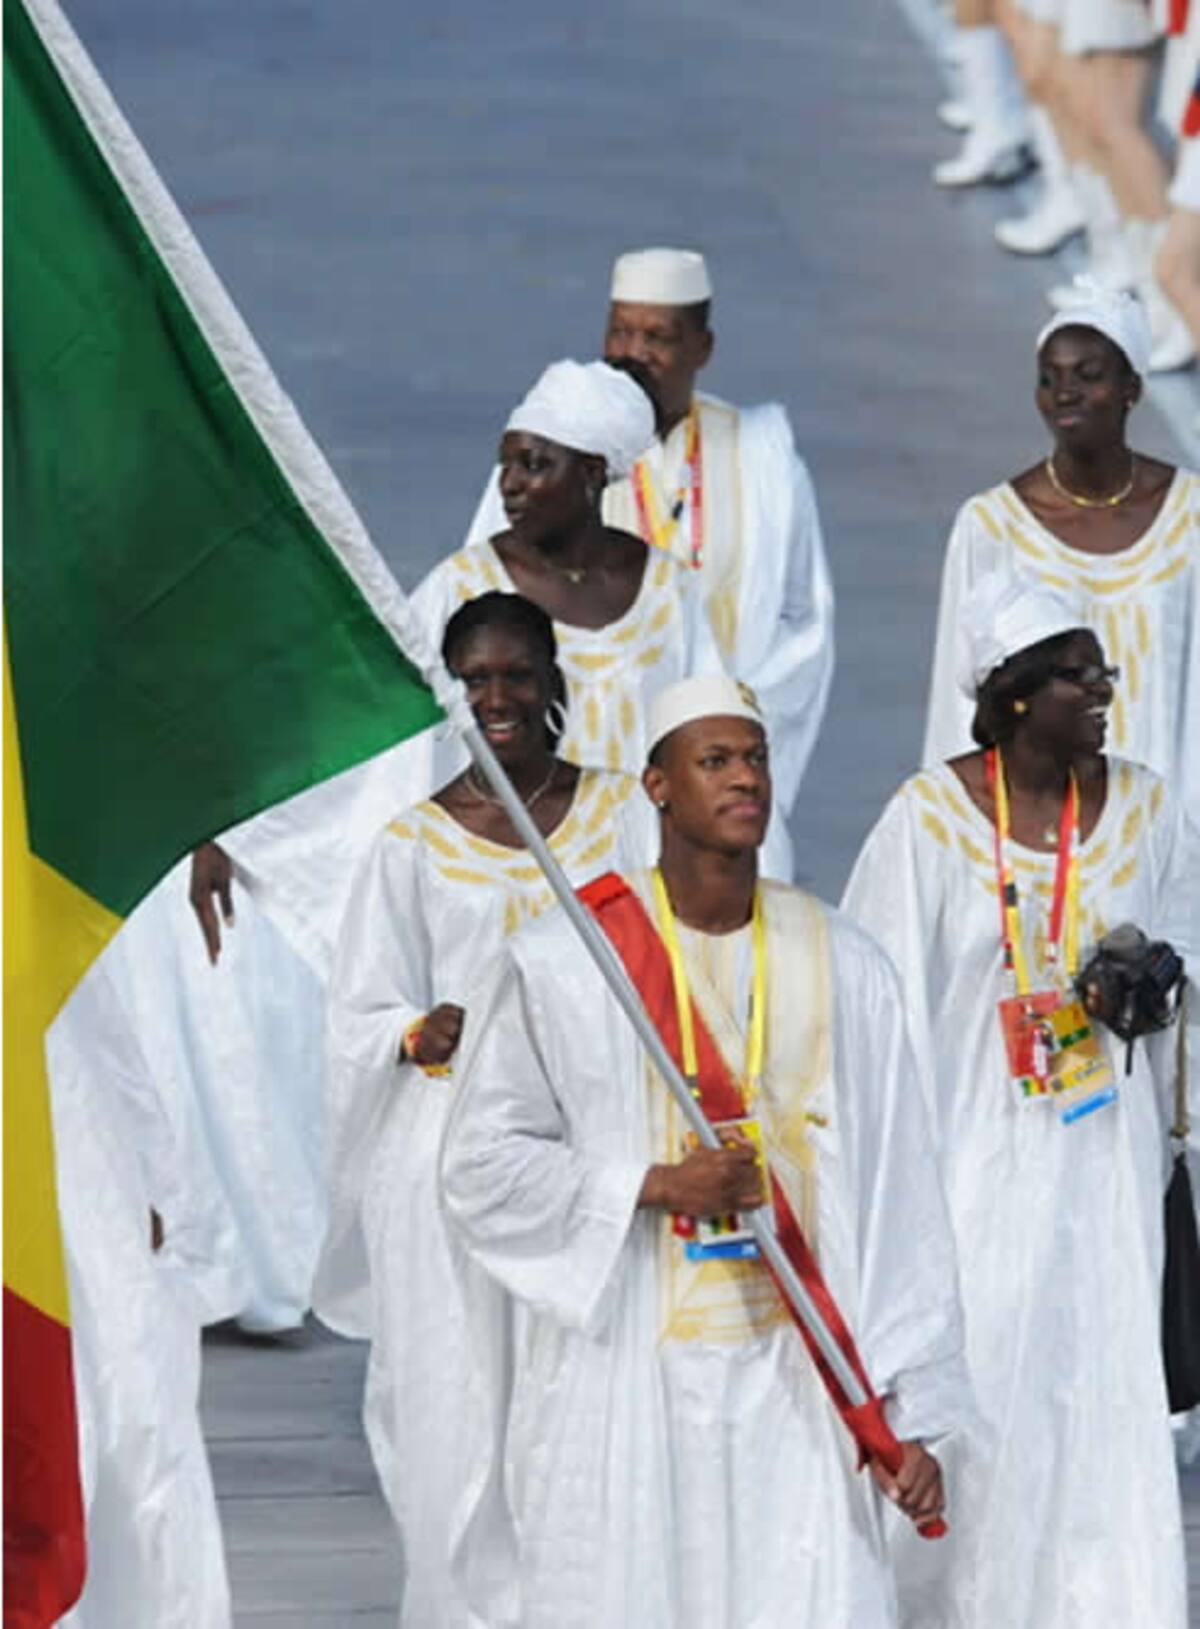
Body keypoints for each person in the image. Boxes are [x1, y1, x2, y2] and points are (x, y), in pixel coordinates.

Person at [440, 675, 971, 1629]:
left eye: (755, 757)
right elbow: (479, 1167)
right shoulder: (569, 961)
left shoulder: (846, 960)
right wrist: (649, 1183)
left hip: (797, 1389)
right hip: (626, 1389)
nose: (745, 780)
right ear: (657, 785)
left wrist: (910, 1410)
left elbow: (903, 1198)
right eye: (715, 760)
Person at [844, 576, 1197, 1628]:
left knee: (1099, 1391)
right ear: (1012, 696)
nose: (1100, 694)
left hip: (1107, 1164)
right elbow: (875, 999)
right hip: (971, 1165)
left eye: (1103, 673)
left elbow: (1189, 950)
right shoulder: (928, 822)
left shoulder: (1144, 807)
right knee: (988, 1389)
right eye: (1076, 675)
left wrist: (1153, 986)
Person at [313, 592, 656, 1627]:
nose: (497, 696)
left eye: (516, 674)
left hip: (589, 1152)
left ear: (556, 682)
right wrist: (417, 1033)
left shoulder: (625, 812)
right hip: (449, 1169)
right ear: (451, 695)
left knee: (579, 1405)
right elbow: (357, 1012)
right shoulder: (412, 845)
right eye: (476, 680)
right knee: (457, 1413)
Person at [465, 249, 835, 860]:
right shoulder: (551, 446)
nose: (632, 351)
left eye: (658, 336)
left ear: (703, 348)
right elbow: (485, 590)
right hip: (563, 747)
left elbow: (803, 623)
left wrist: (724, 729)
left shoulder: (764, 457)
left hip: (710, 751)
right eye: (621, 330)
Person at [923, 285, 1200, 822]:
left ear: (1132, 389)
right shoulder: (992, 527)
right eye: (1050, 378)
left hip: (1171, 828)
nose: (1064, 393)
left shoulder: (1190, 520)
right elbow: (957, 707)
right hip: (1036, 828)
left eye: (1088, 375)